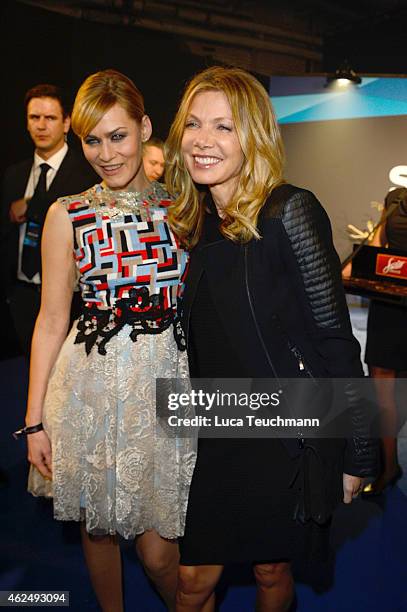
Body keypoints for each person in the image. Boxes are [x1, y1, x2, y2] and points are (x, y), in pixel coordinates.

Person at [165, 66, 377, 611]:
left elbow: (334, 339)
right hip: (219, 425)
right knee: (192, 580)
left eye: (224, 127)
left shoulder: (288, 211)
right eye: (193, 124)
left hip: (284, 428)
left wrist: (357, 452)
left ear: (253, 136)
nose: (203, 140)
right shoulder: (197, 220)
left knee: (270, 567)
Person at [20, 70, 196, 612]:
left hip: (165, 389)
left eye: (117, 136)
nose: (105, 153)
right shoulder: (66, 214)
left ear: (144, 128)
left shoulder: (185, 211)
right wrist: (33, 420)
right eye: (91, 140)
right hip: (90, 388)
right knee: (98, 531)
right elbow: (51, 320)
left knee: (161, 554)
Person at [0, 84, 97, 356]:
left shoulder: (87, 175)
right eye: (34, 118)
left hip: (68, 300)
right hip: (17, 296)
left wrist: (32, 206)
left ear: (66, 123)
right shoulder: (14, 175)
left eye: (50, 118)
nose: (41, 126)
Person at [362, 187, 406, 496]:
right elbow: (377, 245)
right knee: (387, 393)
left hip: (391, 300)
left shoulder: (395, 198)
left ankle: (388, 466)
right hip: (389, 304)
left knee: (384, 393)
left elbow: (378, 245)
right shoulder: (394, 198)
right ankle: (388, 465)